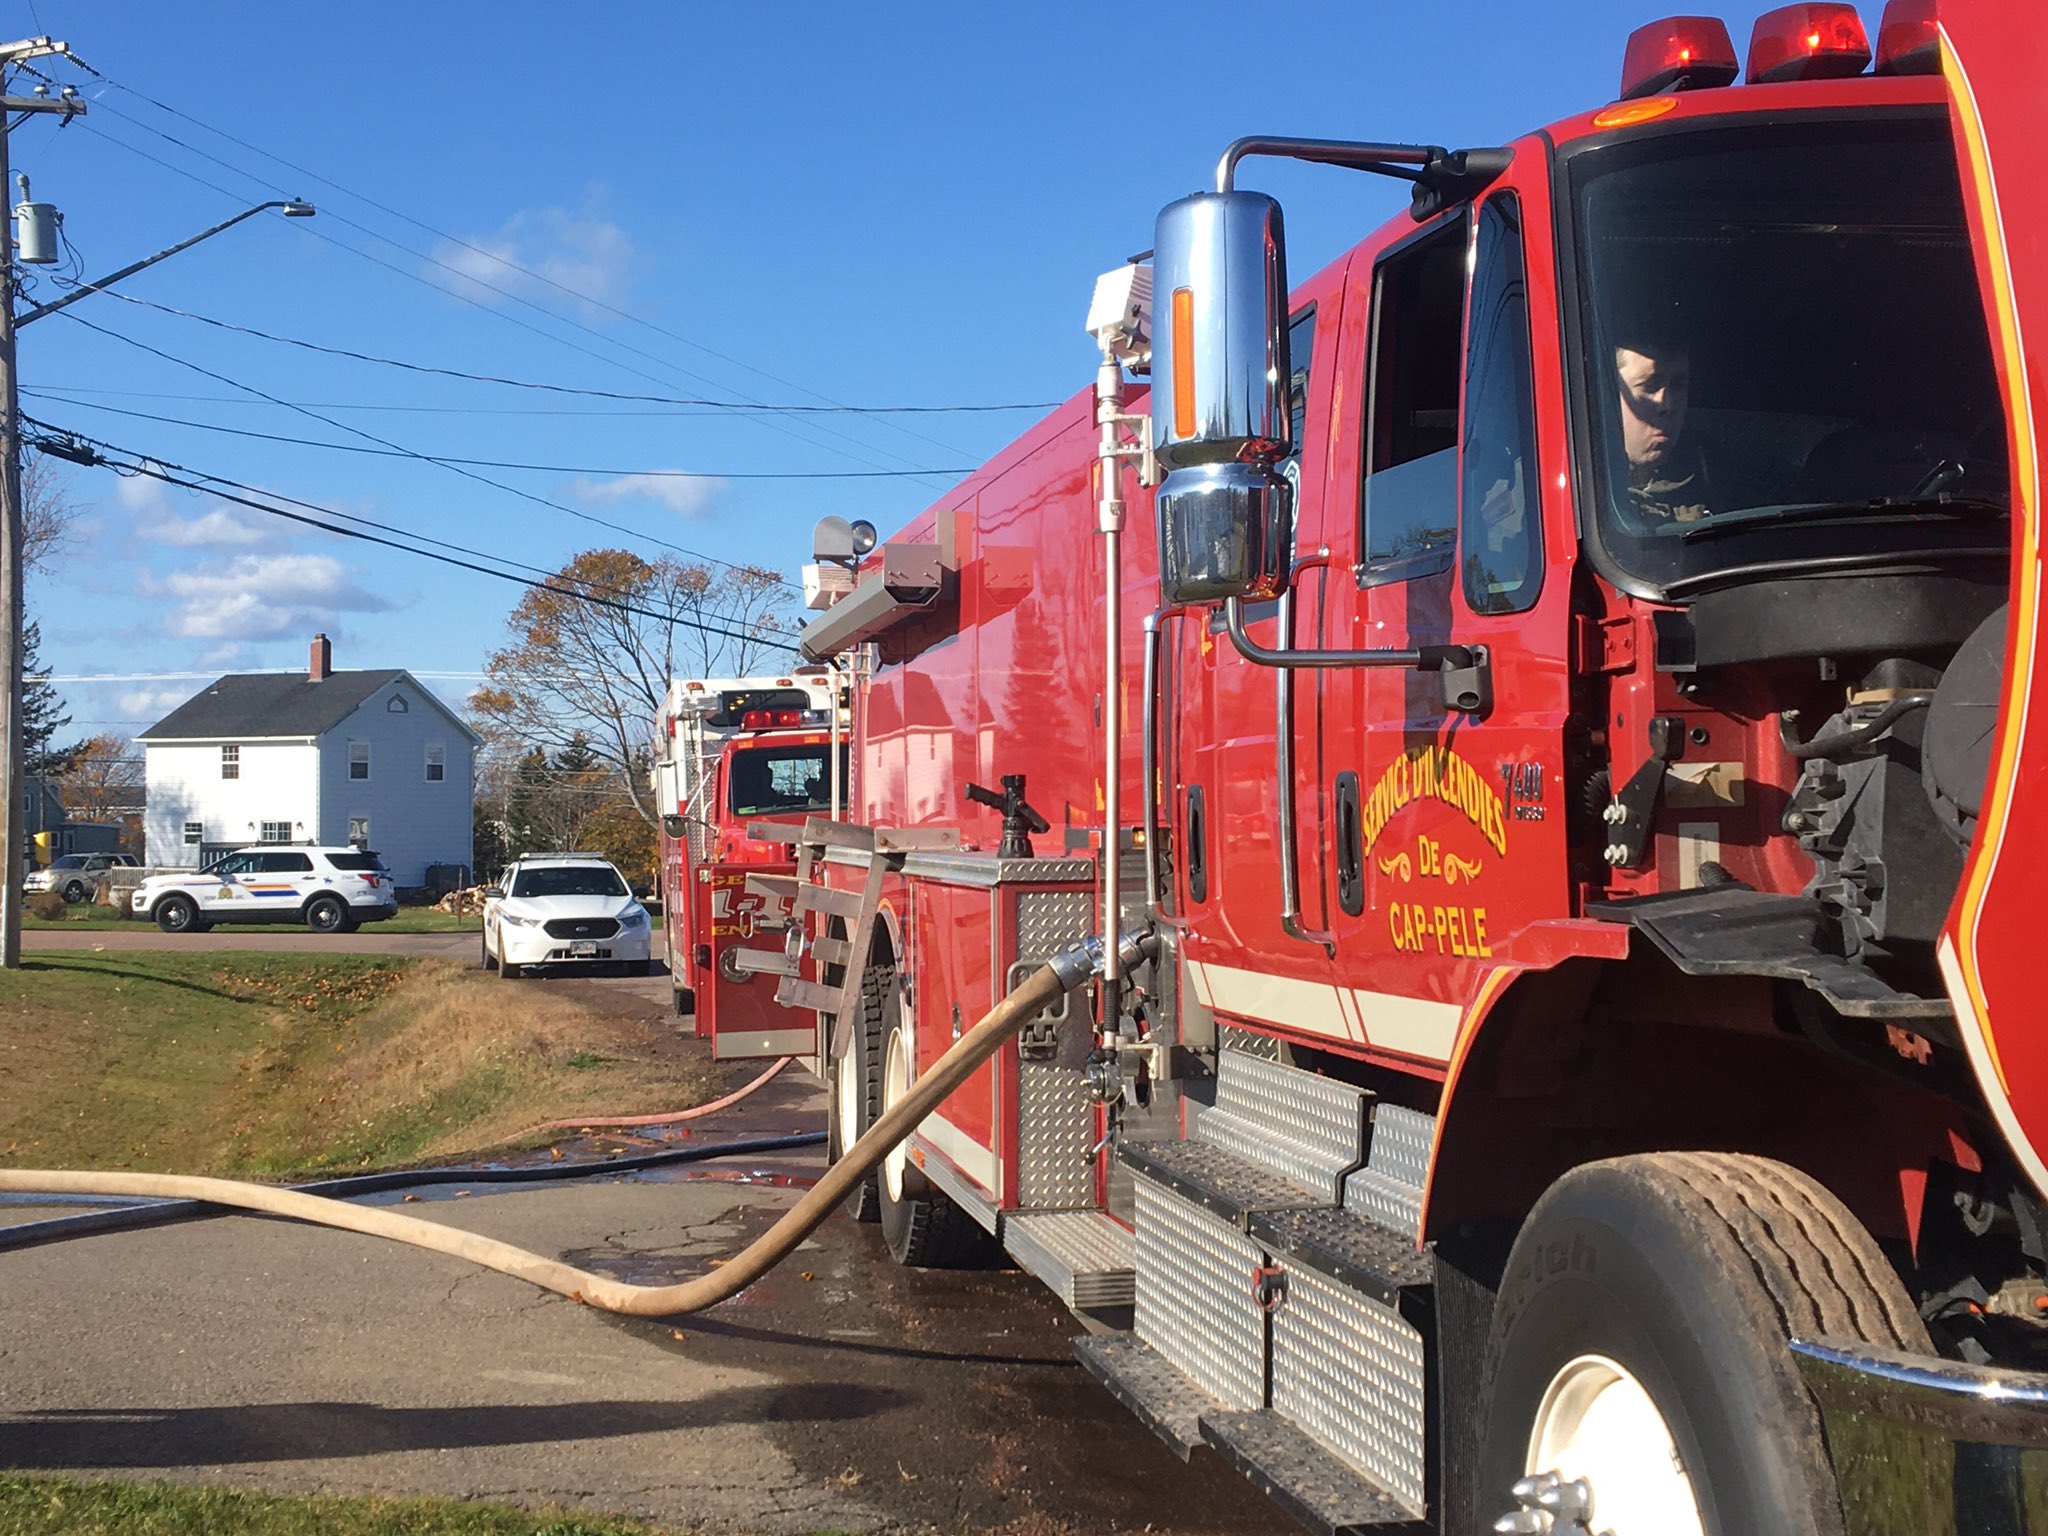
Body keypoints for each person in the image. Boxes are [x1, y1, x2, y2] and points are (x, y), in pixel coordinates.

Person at [1614, 332, 1711, 523]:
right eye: (1649, 386)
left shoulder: (1718, 485)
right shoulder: (1577, 498)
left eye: (1678, 386)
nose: (1667, 404)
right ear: (1609, 393)